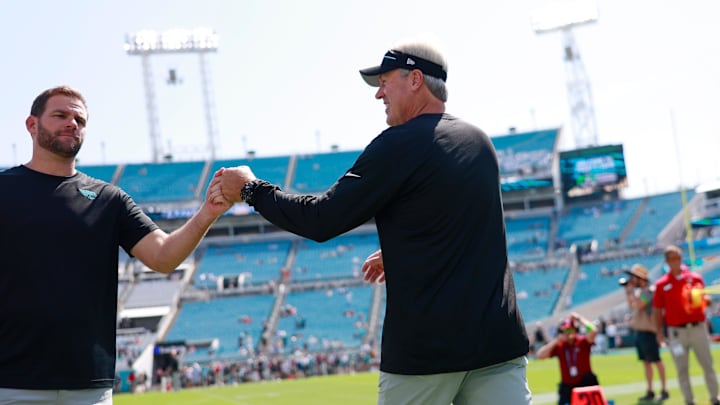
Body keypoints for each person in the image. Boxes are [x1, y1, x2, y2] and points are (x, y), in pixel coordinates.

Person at [216, 40, 531, 404]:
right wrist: (405, 246)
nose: (378, 94)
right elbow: (461, 221)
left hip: (428, 353)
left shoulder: (398, 144)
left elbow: (321, 219)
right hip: (499, 343)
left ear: (415, 79)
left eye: (385, 82)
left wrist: (252, 190)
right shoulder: (479, 141)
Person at [0, 86, 231, 404]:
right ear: (32, 125)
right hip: (12, 385)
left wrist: (208, 213)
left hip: (89, 386)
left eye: (79, 120)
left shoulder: (109, 199)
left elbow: (163, 257)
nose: (72, 123)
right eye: (60, 115)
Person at [653, 245, 720, 405]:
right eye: (672, 259)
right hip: (676, 332)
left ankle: (715, 397)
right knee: (682, 369)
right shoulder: (662, 284)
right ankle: (689, 400)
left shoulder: (695, 278)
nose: (676, 261)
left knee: (707, 365)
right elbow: (657, 310)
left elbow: (707, 300)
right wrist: (659, 332)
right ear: (667, 262)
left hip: (697, 328)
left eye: (678, 258)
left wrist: (698, 299)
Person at [623, 263, 669, 401]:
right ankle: (650, 390)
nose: (631, 280)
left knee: (656, 361)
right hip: (641, 332)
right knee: (646, 362)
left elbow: (640, 305)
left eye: (633, 277)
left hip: (650, 332)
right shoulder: (640, 292)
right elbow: (632, 306)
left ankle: (664, 389)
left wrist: (632, 293)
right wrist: (628, 292)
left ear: (640, 278)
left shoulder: (649, 291)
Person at [536, 313, 600, 405]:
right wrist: (557, 340)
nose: (569, 333)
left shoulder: (582, 341)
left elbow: (593, 331)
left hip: (585, 385)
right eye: (566, 330)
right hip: (568, 387)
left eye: (570, 329)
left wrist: (579, 318)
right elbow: (540, 355)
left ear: (575, 330)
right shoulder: (560, 346)